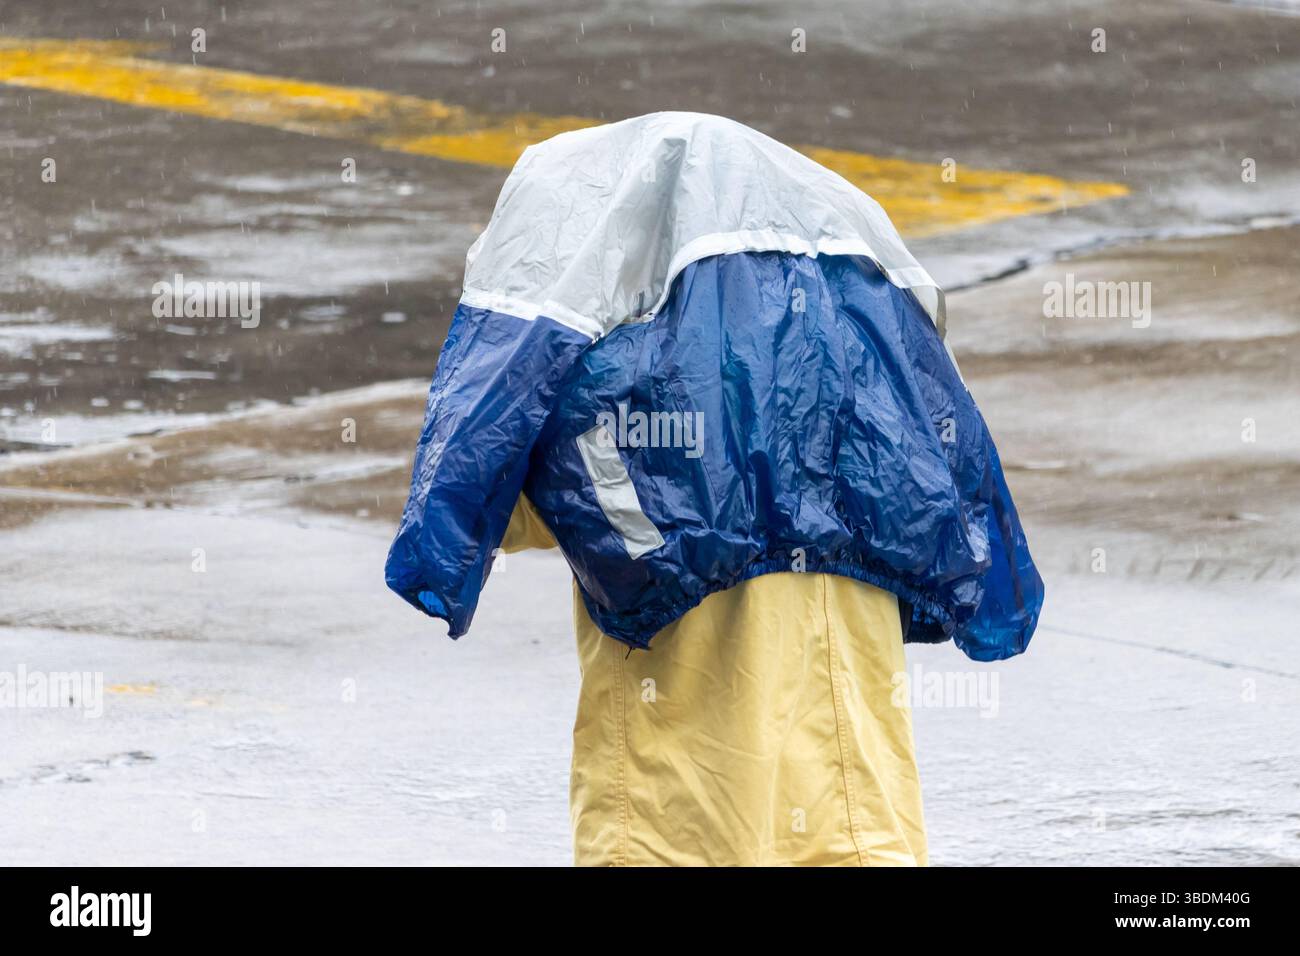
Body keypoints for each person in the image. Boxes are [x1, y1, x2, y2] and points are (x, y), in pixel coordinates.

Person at [386, 112, 1043, 866]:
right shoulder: (879, 377)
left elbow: (502, 499)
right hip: (858, 819)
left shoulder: (613, 396)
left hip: (681, 815)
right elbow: (961, 519)